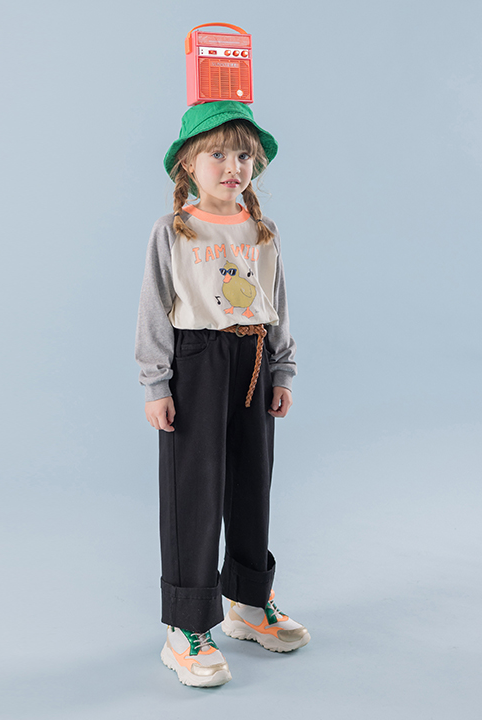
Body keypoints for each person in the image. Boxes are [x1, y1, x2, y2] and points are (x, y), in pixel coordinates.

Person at [135, 100, 309, 688]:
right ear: (188, 164)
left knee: (252, 481)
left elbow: (276, 303)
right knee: (196, 489)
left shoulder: (263, 230)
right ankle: (186, 626)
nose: (232, 166)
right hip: (197, 361)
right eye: (217, 154)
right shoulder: (173, 230)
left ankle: (249, 602)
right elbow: (155, 309)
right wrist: (157, 382)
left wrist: (282, 371)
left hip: (253, 358)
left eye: (243, 156)